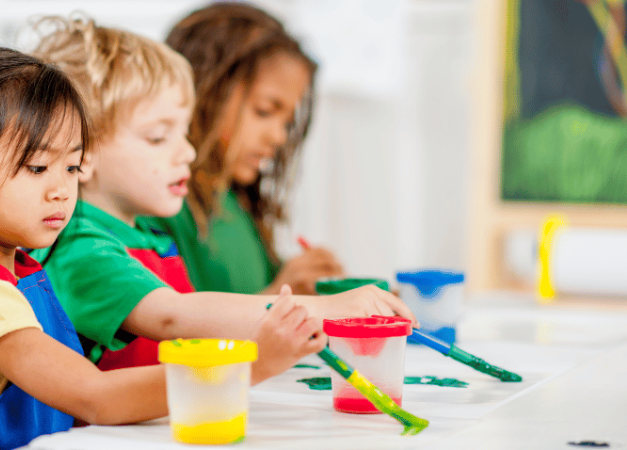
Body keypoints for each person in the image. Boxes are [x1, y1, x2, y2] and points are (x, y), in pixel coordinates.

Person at [0, 46, 327, 450]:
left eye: (71, 168)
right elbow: (96, 397)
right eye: (37, 168)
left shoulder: (17, 270)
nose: (61, 191)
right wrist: (253, 362)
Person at [30, 17, 417, 371]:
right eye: (159, 137)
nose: (188, 151)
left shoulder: (147, 240)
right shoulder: (79, 245)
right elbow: (175, 315)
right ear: (84, 151)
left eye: (183, 132)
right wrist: (323, 308)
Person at [159, 1, 345, 295]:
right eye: (264, 111)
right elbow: (172, 332)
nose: (279, 137)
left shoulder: (235, 201)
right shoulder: (163, 204)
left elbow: (258, 286)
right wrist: (282, 291)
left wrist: (307, 284)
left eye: (286, 122)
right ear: (204, 92)